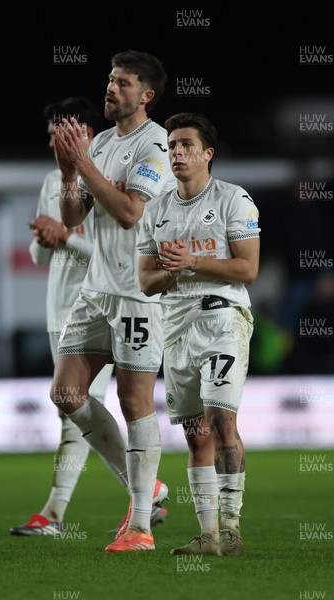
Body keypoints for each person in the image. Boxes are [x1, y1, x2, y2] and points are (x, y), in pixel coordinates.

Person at [50, 50, 175, 552]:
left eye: (122, 82)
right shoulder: (100, 142)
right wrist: (67, 173)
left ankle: (141, 526)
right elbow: (75, 216)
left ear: (145, 95)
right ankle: (149, 487)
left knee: (134, 402)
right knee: (66, 394)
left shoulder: (156, 146)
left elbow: (128, 212)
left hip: (136, 294)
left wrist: (84, 166)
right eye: (109, 79)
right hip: (96, 290)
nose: (110, 88)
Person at [137, 112, 260, 556]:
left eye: (186, 145)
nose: (177, 153)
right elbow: (146, 281)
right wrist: (173, 271)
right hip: (175, 327)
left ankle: (231, 527)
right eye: (171, 146)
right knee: (195, 432)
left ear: (208, 153)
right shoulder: (156, 209)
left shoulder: (234, 200)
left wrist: (193, 262)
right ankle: (207, 536)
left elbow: (248, 268)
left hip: (222, 318)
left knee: (221, 417)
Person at [10, 97, 126, 537]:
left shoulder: (112, 183)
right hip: (58, 309)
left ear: (86, 134)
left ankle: (56, 514)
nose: (52, 142)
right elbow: (41, 257)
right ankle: (143, 492)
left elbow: (116, 256)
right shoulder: (52, 180)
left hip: (99, 309)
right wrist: (46, 237)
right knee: (73, 410)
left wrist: (68, 238)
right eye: (50, 135)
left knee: (75, 404)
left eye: (60, 133)